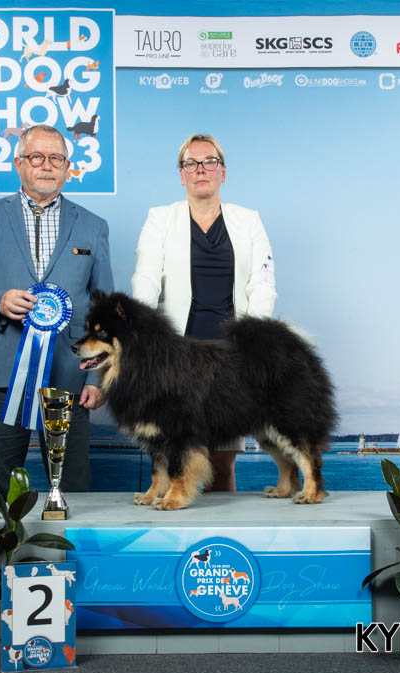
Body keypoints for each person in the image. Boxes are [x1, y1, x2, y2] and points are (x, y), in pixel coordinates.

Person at [0, 124, 114, 497]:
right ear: (19, 163)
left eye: (56, 158)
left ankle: (69, 539)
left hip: (70, 374)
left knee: (72, 484)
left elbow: (105, 311)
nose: (47, 165)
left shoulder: (93, 226)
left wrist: (97, 377)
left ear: (67, 168)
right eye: (37, 157)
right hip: (2, 372)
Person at [131, 133, 276, 491]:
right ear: (181, 174)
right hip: (174, 357)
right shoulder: (159, 219)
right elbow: (146, 278)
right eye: (191, 163)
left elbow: (262, 285)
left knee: (222, 463)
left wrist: (251, 343)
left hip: (229, 357)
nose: (200, 169)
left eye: (210, 162)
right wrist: (144, 339)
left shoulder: (249, 220)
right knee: (169, 452)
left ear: (222, 172)